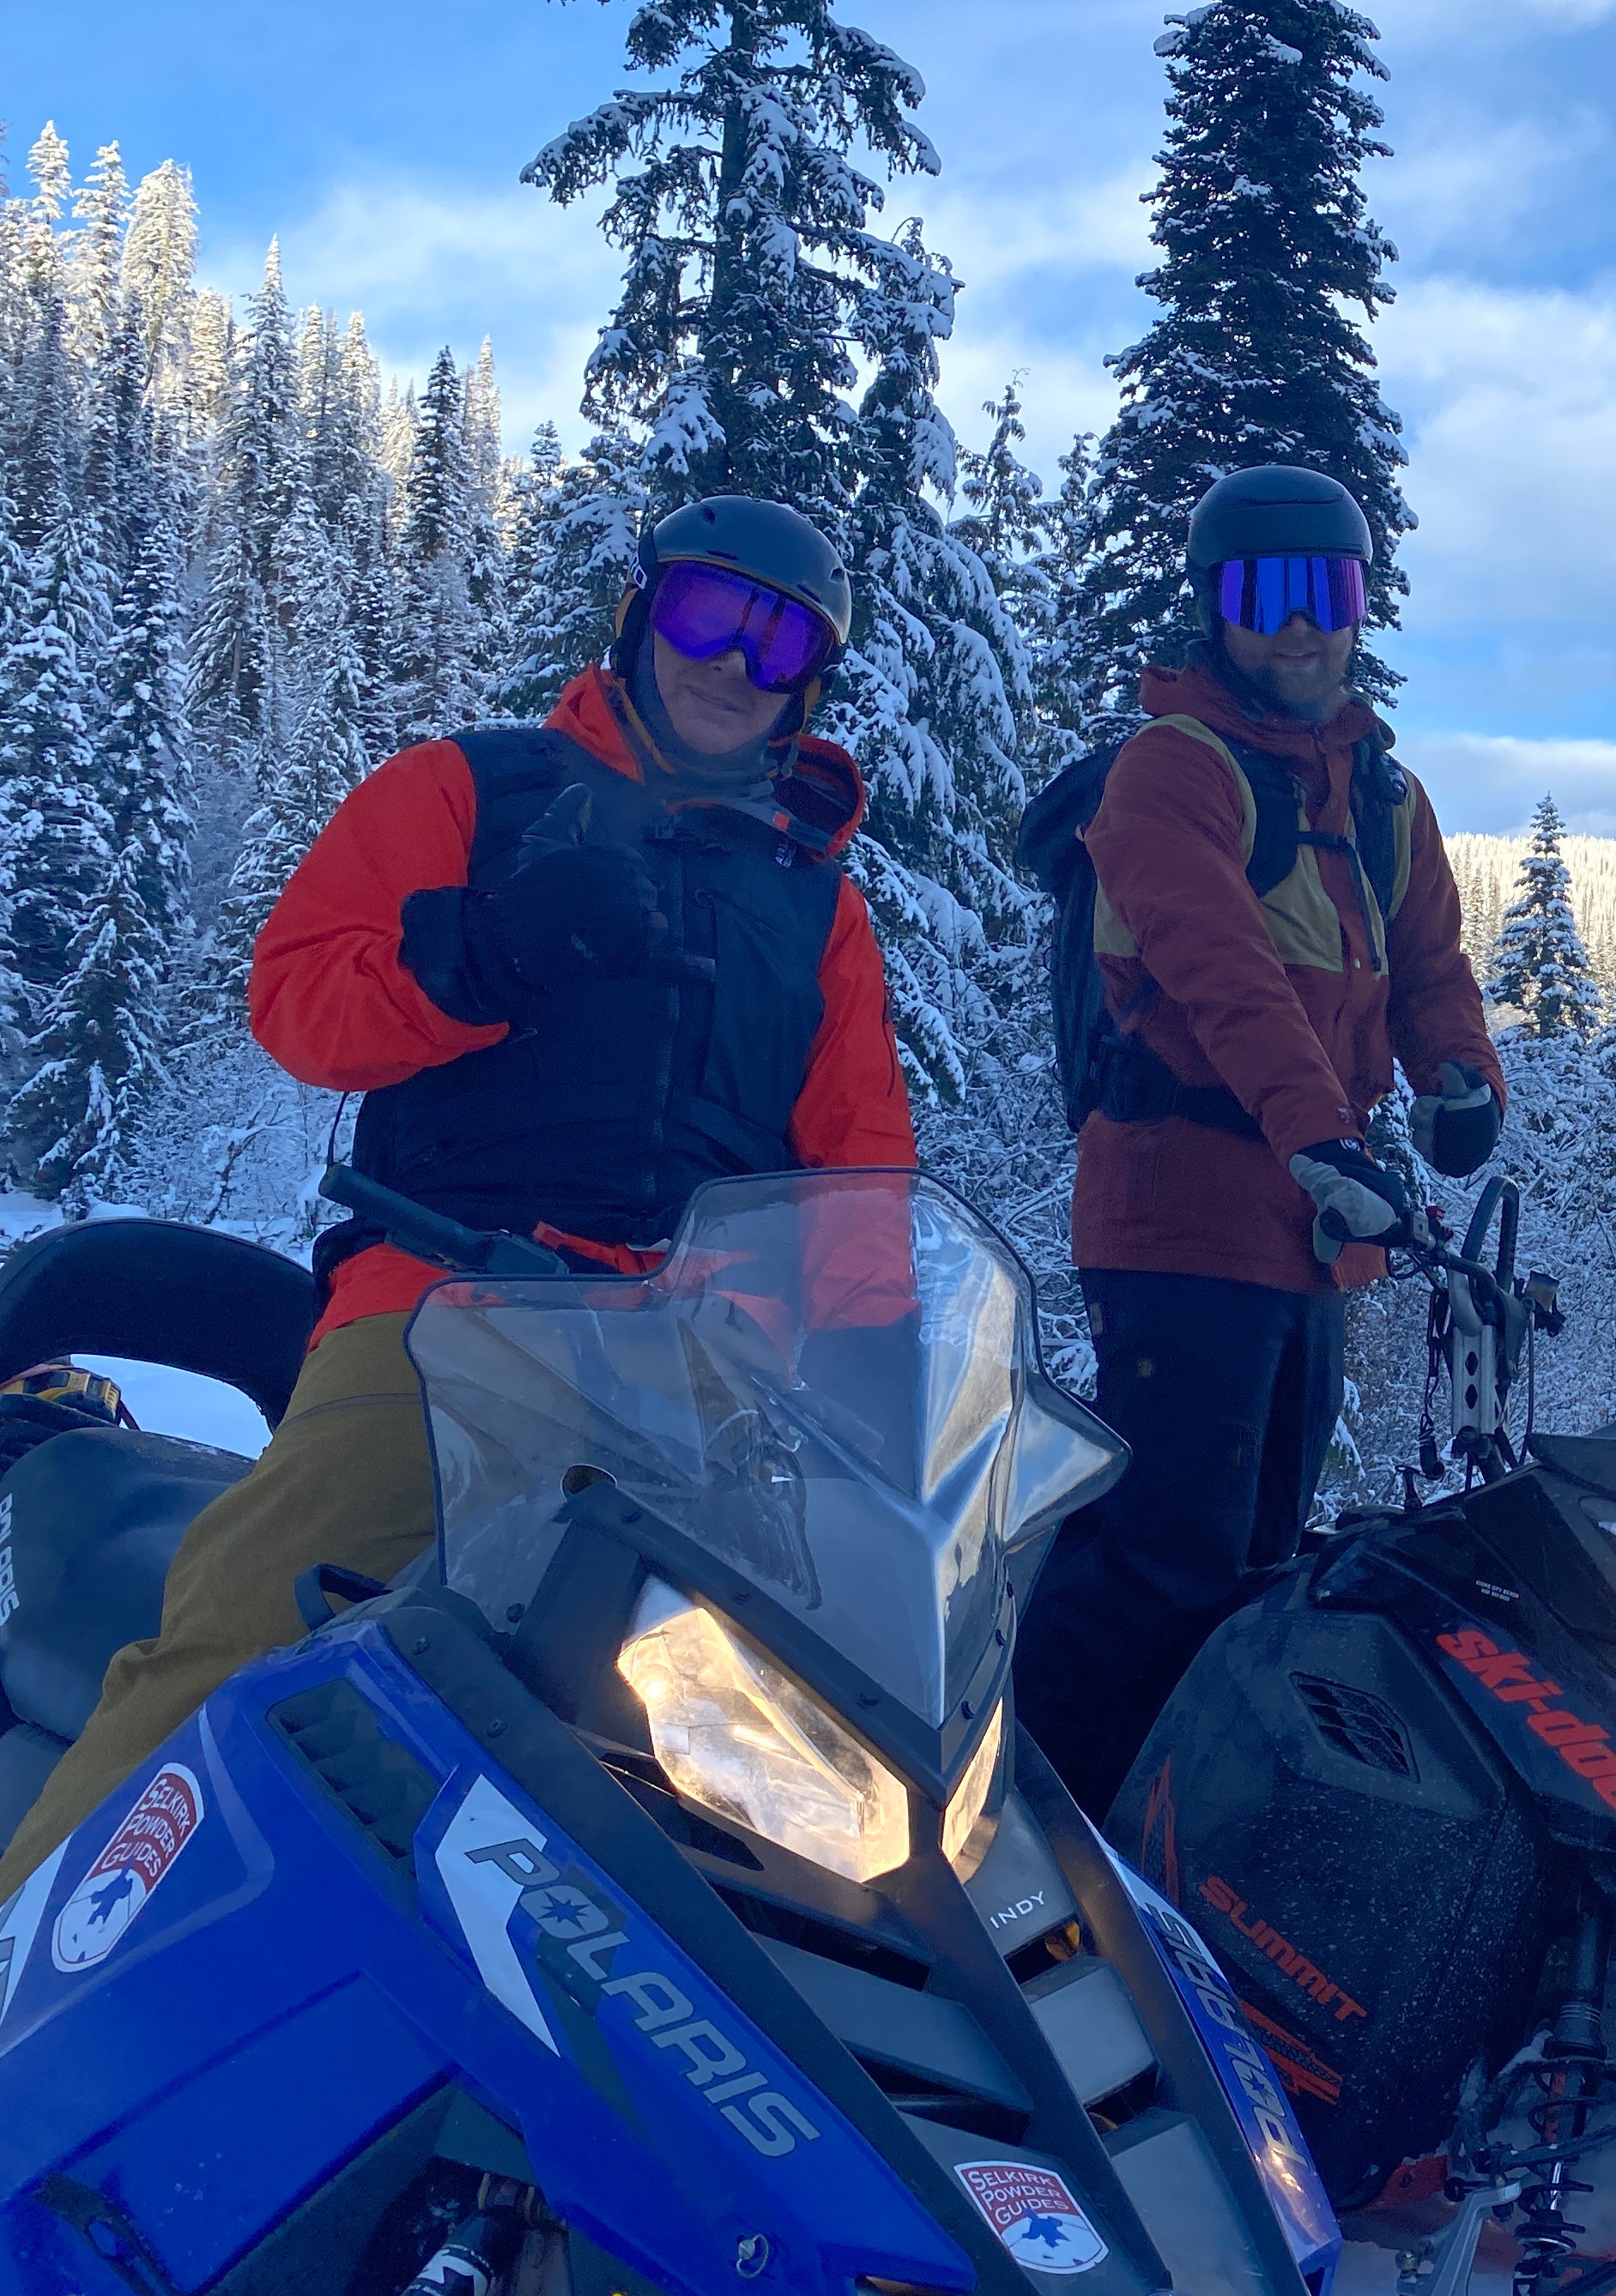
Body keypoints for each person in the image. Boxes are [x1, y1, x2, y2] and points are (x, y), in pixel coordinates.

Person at [0, 496, 918, 1895]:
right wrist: (484, 956)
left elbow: (860, 1180)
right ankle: (39, 1954)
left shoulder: (816, 905)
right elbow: (299, 1002)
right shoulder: (472, 789)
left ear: (811, 683)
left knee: (782, 1786)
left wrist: (880, 1398)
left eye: (780, 640)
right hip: (444, 1312)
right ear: (638, 617)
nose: (735, 662)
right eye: (705, 614)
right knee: (255, 1632)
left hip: (693, 1384)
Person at [1016, 464, 1504, 1814]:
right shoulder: (1172, 771)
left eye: (1324, 592)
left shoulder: (1383, 798)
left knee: (1255, 1560)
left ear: (1360, 607)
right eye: (1263, 593)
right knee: (1163, 1557)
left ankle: (1166, 1822)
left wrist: (1461, 1078)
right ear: (1214, 608)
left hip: (1309, 1239)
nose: (1298, 626)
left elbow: (1431, 967)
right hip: (1179, 1214)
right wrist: (1320, 1137)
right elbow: (1219, 971)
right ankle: (1028, 1817)